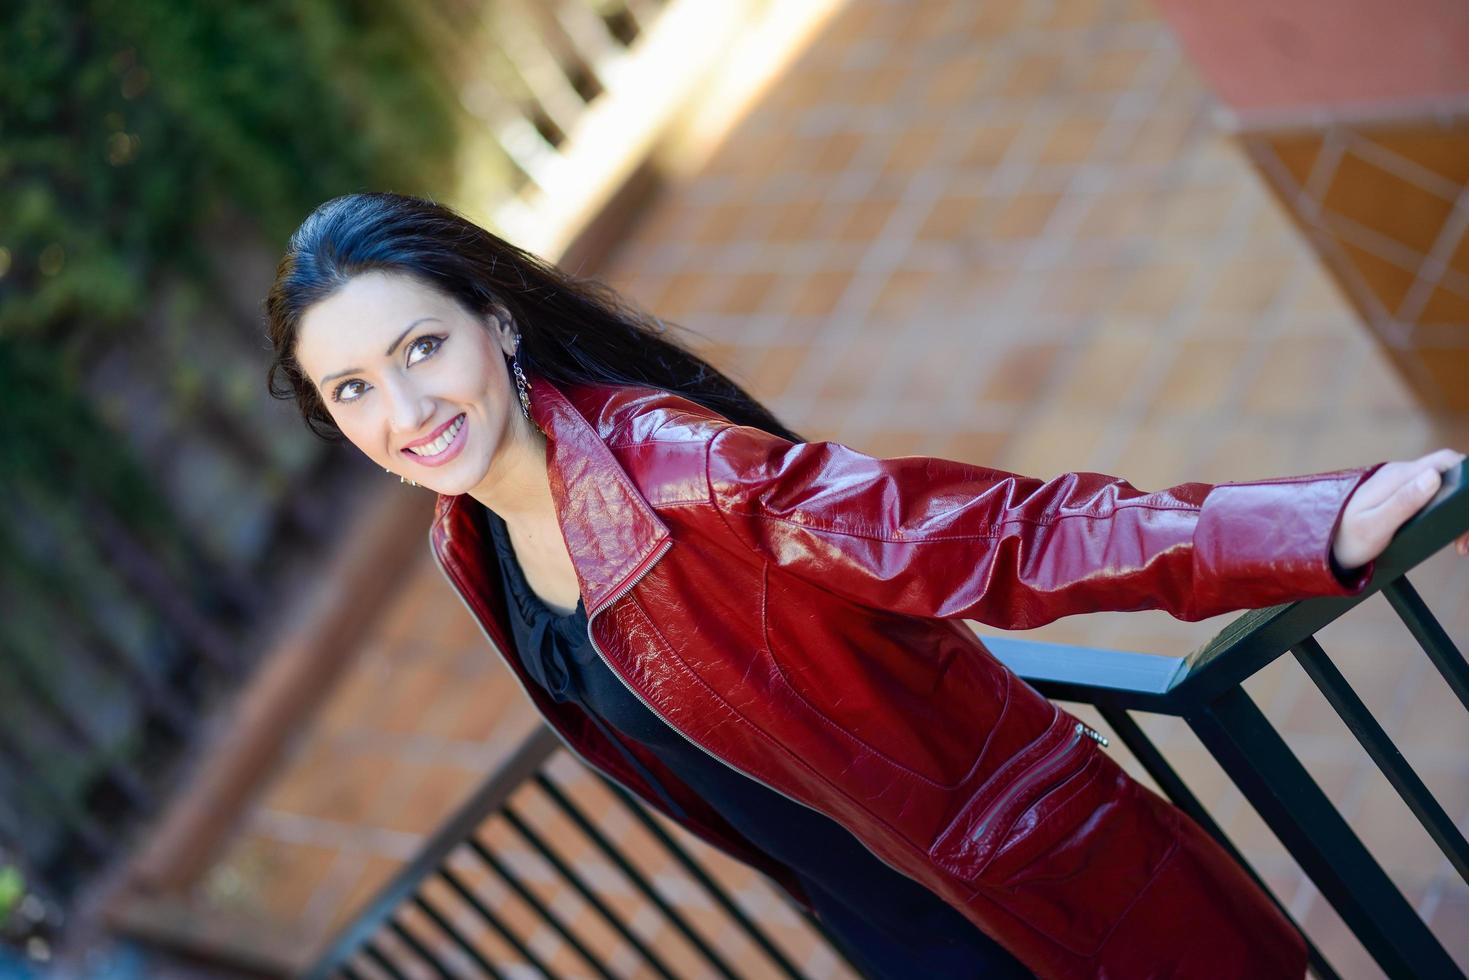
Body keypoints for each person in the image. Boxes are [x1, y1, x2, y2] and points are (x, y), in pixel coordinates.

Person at [267, 192, 1468, 979]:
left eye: (422, 347)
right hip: (897, 927)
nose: (407, 412)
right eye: (354, 388)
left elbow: (998, 536)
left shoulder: (680, 473)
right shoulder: (467, 541)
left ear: (496, 322)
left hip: (1033, 893)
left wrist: (1307, 524)